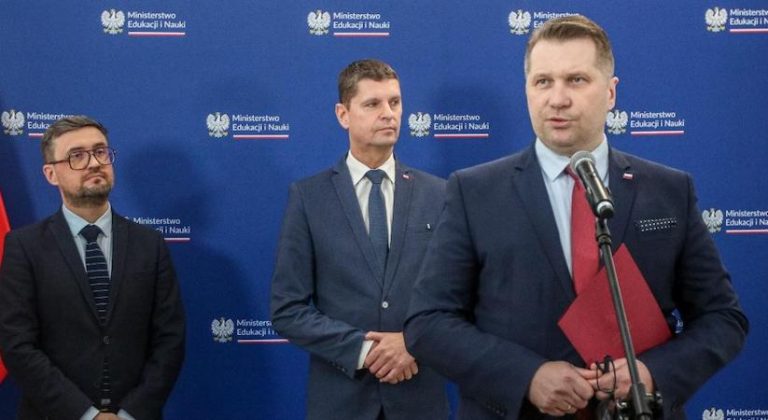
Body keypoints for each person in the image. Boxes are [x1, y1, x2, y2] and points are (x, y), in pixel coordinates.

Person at [404, 15, 748, 419]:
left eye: (576, 80)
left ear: (611, 92)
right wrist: (526, 377)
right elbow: (428, 322)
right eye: (543, 82)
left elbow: (723, 318)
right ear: (527, 89)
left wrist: (651, 374)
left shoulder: (670, 190)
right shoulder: (474, 191)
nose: (557, 99)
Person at [270, 59, 448, 419]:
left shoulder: (439, 194)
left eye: (394, 102)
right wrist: (365, 351)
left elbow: (458, 299)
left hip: (419, 400)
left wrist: (411, 343)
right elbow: (288, 309)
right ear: (343, 114)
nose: (388, 114)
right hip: (341, 403)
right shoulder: (309, 197)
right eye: (373, 104)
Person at [0, 116, 186, 420]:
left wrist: (129, 413)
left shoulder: (150, 244)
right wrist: (88, 415)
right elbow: (17, 345)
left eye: (100, 152)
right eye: (77, 156)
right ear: (51, 174)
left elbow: (170, 340)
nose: (94, 163)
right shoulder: (25, 247)